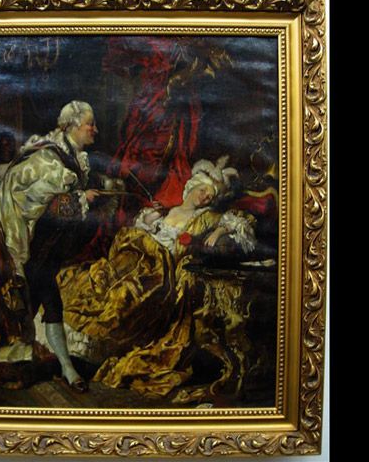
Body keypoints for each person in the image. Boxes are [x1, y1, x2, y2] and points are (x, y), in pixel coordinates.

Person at [56, 157, 258, 399]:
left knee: (127, 293)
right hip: (140, 254)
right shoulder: (169, 209)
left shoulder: (206, 217)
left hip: (161, 269)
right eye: (203, 190)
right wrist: (149, 221)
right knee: (99, 278)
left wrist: (220, 230)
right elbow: (142, 231)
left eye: (210, 196)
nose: (205, 197)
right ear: (193, 185)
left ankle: (93, 343)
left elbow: (243, 221)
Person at [0, 100, 102, 392]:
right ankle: (67, 370)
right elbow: (36, 200)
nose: (95, 130)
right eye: (90, 124)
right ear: (72, 126)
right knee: (46, 302)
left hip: (49, 246)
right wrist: (81, 199)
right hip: (31, 243)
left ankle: (32, 362)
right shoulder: (48, 157)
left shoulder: (73, 156)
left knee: (34, 304)